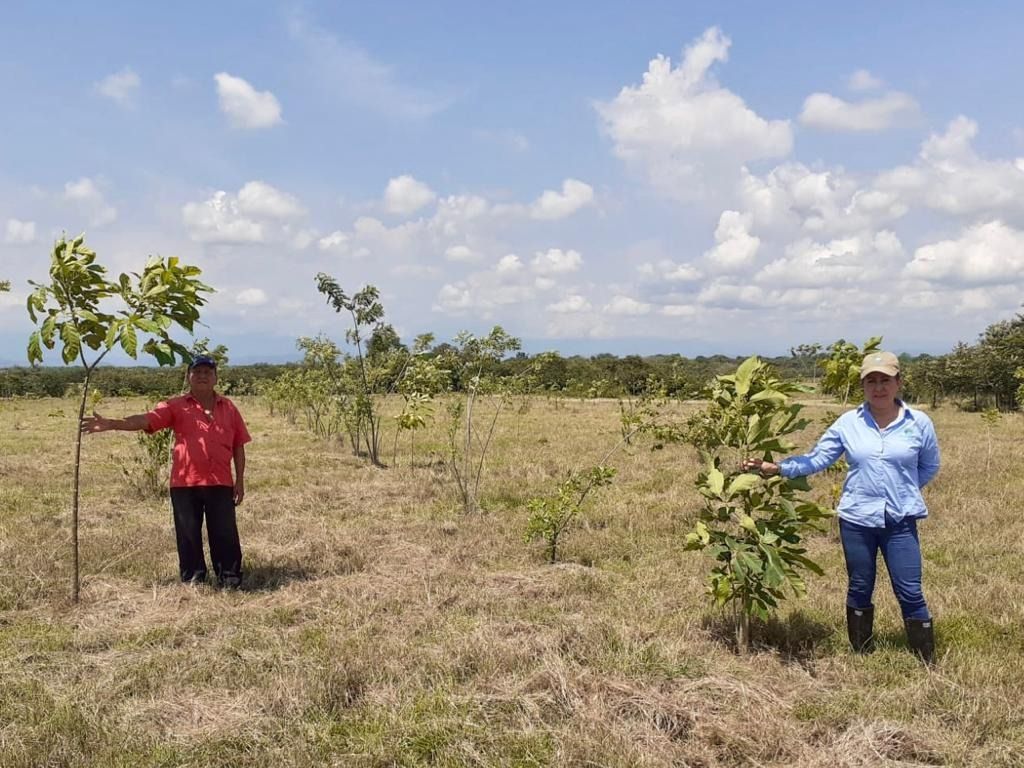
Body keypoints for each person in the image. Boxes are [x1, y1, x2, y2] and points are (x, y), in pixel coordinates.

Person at [742, 351, 940, 664]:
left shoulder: (919, 423)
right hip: (857, 519)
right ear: (863, 386)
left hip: (900, 520)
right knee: (860, 585)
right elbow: (818, 458)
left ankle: (925, 659)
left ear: (898, 383)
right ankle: (862, 653)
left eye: (885, 380)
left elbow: (929, 466)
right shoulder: (849, 423)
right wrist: (778, 468)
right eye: (871, 381)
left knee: (910, 589)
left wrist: (902, 490)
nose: (878, 388)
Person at [81, 355, 251, 588]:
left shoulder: (229, 408)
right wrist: (113, 423)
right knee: (188, 533)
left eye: (207, 372)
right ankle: (193, 578)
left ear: (216, 378)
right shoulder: (175, 406)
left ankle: (229, 576)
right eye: (197, 372)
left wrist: (239, 480)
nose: (202, 376)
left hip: (220, 481)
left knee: (224, 532)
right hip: (184, 483)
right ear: (188, 377)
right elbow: (147, 420)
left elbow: (238, 445)